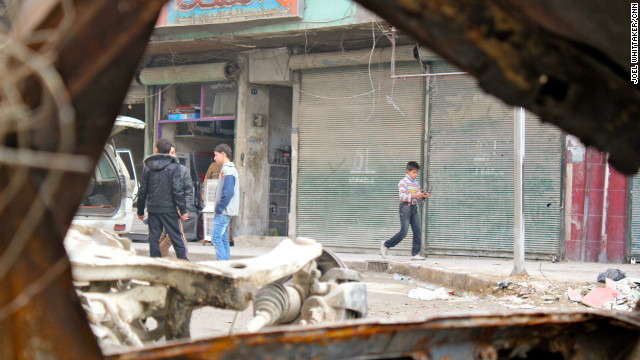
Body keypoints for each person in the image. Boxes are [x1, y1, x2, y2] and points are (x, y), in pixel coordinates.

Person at [137, 138, 189, 260]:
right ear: (169, 151)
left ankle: (155, 262)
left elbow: (143, 190)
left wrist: (140, 211)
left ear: (156, 150)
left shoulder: (148, 167)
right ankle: (183, 262)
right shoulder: (174, 167)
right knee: (176, 236)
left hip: (153, 208)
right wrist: (183, 209)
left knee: (153, 237)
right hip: (169, 209)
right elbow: (177, 190)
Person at [380, 161, 430, 260]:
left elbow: (417, 198)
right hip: (405, 208)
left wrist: (423, 196)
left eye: (417, 173)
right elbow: (402, 197)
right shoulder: (403, 182)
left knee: (417, 231)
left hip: (414, 208)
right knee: (404, 232)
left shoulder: (416, 183)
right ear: (408, 171)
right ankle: (386, 244)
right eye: (414, 172)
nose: (415, 175)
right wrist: (416, 195)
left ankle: (415, 254)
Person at [158, 144, 194, 257]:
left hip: (177, 209)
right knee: (166, 234)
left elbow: (188, 191)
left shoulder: (182, 170)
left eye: (173, 152)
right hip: (163, 208)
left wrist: (185, 209)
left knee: (175, 234)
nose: (171, 155)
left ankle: (160, 255)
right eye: (169, 152)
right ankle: (161, 258)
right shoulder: (158, 169)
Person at [210, 143, 239, 261]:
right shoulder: (229, 169)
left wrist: (219, 208)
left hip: (224, 211)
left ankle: (222, 264)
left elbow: (228, 193)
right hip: (226, 210)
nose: (214, 158)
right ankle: (226, 264)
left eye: (216, 155)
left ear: (223, 154)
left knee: (216, 238)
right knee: (223, 238)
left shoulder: (228, 170)